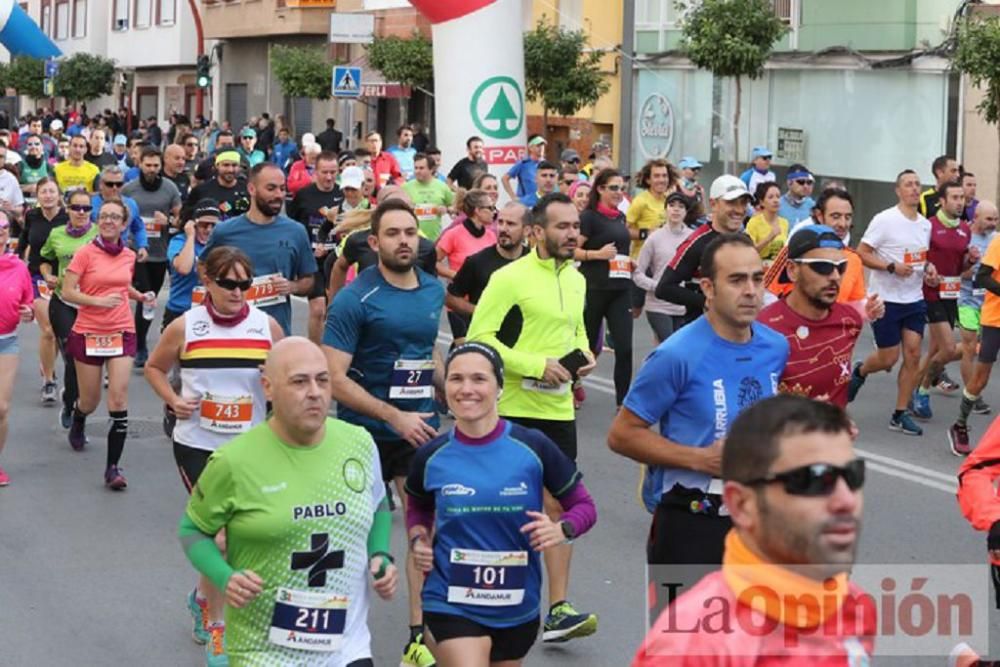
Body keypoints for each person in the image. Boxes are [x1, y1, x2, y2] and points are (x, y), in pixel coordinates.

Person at [178, 336, 398, 666]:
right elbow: (192, 530)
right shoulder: (233, 462)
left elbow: (378, 503)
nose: (314, 392)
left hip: (347, 648)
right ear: (267, 388)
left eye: (322, 380)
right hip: (264, 653)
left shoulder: (359, 444)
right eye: (299, 381)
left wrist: (379, 553)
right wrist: (224, 577)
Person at [631, 395, 874, 665]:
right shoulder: (694, 647)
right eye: (814, 480)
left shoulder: (854, 604)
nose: (846, 500)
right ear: (742, 504)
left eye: (853, 476)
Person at [405, 342, 598, 667]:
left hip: (516, 605)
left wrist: (561, 528)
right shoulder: (432, 454)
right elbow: (417, 507)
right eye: (456, 379)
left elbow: (584, 506)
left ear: (498, 387)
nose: (466, 389)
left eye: (479, 379)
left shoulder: (532, 446)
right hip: (450, 601)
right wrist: (418, 537)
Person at [467, 192, 599, 645]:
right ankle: (494, 601)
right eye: (563, 227)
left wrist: (584, 356)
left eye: (575, 226)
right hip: (516, 410)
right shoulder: (509, 278)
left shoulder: (576, 279)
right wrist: (535, 365)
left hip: (559, 407)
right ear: (537, 232)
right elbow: (478, 339)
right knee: (509, 510)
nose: (573, 234)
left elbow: (578, 332)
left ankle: (558, 609)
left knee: (560, 506)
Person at [608, 233, 789, 562]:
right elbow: (622, 435)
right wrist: (700, 459)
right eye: (736, 280)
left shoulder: (776, 347)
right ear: (708, 288)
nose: (750, 291)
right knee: (683, 616)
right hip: (690, 518)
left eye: (757, 278)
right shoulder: (676, 355)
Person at [323, 198, 445, 667]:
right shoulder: (356, 299)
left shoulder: (432, 290)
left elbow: (422, 352)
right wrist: (393, 415)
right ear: (374, 243)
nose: (404, 241)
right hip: (364, 433)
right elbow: (334, 377)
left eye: (410, 233)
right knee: (354, 541)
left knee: (424, 534)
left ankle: (418, 636)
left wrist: (450, 386)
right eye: (393, 234)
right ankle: (342, 638)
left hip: (419, 431)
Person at [146, 246, 282, 662]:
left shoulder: (267, 327)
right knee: (222, 538)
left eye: (245, 284)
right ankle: (219, 627)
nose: (238, 292)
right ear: (207, 281)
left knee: (235, 538)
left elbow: (286, 377)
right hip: (198, 445)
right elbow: (154, 367)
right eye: (229, 284)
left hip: (251, 448)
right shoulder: (186, 327)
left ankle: (202, 599)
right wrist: (173, 399)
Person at [60, 198, 155, 489]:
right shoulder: (85, 254)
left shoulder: (127, 255)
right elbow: (68, 291)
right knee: (90, 400)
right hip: (89, 332)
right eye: (104, 216)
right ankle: (79, 418)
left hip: (121, 331)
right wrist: (98, 301)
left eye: (115, 217)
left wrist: (138, 296)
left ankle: (112, 468)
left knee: (118, 398)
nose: (109, 221)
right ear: (99, 222)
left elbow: (121, 283)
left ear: (124, 224)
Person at [848, 169, 936, 437]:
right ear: (898, 190)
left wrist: (929, 268)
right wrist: (890, 266)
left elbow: (921, 257)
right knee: (889, 357)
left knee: (912, 354)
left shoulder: (925, 224)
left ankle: (900, 414)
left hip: (914, 298)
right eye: (908, 184)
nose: (914, 188)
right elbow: (861, 253)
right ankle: (861, 370)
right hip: (886, 299)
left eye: (917, 184)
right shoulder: (884, 219)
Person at [759, 224, 883, 409]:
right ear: (792, 270)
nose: (834, 276)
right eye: (822, 266)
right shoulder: (762, 328)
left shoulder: (850, 321)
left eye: (841, 267)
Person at [201, 163, 317, 335]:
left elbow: (308, 280)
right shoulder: (224, 231)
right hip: (229, 331)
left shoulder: (296, 232)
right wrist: (218, 291)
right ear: (252, 189)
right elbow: (203, 267)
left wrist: (292, 286)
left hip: (274, 333)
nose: (278, 195)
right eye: (271, 188)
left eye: (282, 189)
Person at [911, 179, 973, 419]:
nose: (960, 202)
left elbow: (962, 266)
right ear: (942, 201)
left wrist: (972, 260)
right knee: (948, 348)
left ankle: (912, 394)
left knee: (935, 352)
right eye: (955, 198)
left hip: (951, 294)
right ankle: (923, 390)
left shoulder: (965, 229)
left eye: (962, 198)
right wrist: (928, 267)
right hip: (930, 294)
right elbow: (916, 257)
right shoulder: (929, 226)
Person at [655, 174, 753, 322]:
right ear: (713, 204)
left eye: (743, 203)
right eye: (732, 203)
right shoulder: (697, 242)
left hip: (740, 327)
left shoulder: (746, 241)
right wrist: (709, 303)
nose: (739, 210)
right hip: (702, 329)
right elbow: (664, 288)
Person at [40, 190, 99, 430]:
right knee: (72, 357)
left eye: (86, 209)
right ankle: (71, 403)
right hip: (64, 301)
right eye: (77, 208)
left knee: (88, 361)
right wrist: (47, 274)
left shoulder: (99, 233)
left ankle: (80, 405)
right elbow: (42, 258)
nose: (82, 213)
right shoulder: (56, 234)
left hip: (93, 304)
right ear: (68, 210)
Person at [576, 168, 634, 405]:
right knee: (586, 346)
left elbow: (620, 250)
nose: (619, 193)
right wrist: (596, 254)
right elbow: (571, 251)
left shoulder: (620, 217)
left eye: (621, 188)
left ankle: (623, 402)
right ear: (599, 189)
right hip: (594, 288)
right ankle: (569, 386)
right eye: (613, 188)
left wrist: (630, 262)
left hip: (621, 289)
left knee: (625, 348)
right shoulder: (588, 218)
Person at [121, 146, 183, 367]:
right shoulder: (129, 190)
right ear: (140, 164)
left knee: (151, 299)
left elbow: (180, 218)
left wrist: (169, 221)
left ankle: (140, 337)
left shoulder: (169, 188)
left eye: (156, 165)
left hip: (160, 252)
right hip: (137, 252)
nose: (152, 170)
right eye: (148, 165)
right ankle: (139, 346)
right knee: (146, 296)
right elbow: (119, 215)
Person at [948, 215, 1000, 456]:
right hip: (995, 319)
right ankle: (959, 424)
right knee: (980, 379)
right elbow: (982, 276)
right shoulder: (998, 243)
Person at [446, 202, 529, 344]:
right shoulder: (477, 261)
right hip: (487, 345)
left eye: (511, 224)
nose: (503, 229)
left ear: (527, 230)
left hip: (525, 345)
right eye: (500, 222)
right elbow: (451, 299)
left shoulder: (534, 262)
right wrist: (481, 311)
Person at [286, 151, 345, 345]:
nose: (329, 177)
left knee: (336, 311)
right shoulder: (303, 196)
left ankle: (334, 350)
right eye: (324, 172)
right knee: (318, 309)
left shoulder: (343, 194)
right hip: (313, 261)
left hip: (338, 262)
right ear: (315, 172)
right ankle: (315, 351)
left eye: (333, 172)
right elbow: (294, 228)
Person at [17, 177, 64, 404]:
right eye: (43, 192)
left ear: (59, 195)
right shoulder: (32, 216)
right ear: (37, 196)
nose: (47, 195)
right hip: (38, 277)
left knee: (57, 331)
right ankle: (49, 380)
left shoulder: (67, 217)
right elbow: (24, 242)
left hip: (65, 278)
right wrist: (15, 265)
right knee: (47, 330)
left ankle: (47, 364)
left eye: (51, 191)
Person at [632, 192, 693, 343]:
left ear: (686, 212)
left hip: (682, 305)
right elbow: (638, 273)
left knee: (678, 349)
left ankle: (654, 366)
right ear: (665, 210)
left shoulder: (693, 238)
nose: (676, 210)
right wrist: (657, 286)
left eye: (681, 206)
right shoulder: (654, 238)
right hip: (658, 304)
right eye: (672, 206)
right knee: (669, 344)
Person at [436, 190, 498, 340]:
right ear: (477, 210)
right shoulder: (454, 234)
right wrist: (455, 274)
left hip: (483, 302)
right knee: (463, 347)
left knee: (480, 347)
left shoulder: (491, 236)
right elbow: (432, 262)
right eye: (490, 208)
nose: (494, 212)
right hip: (459, 302)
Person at [0, 214, 34, 485]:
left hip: (6, 341)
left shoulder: (18, 266)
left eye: (3, 228)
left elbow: (28, 301)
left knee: (0, 408)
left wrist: (28, 311)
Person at [957, 201, 999, 414]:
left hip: (986, 302)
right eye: (989, 219)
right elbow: (960, 272)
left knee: (955, 349)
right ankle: (970, 401)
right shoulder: (966, 237)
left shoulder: (994, 239)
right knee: (970, 346)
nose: (993, 224)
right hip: (966, 299)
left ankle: (935, 366)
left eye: (996, 219)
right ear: (976, 218)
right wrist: (968, 266)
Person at [183, 150, 250, 221]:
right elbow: (186, 216)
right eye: (226, 165)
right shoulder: (201, 190)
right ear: (217, 166)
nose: (230, 170)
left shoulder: (247, 189)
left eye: (234, 165)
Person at [402, 153, 455, 241]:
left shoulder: (442, 186)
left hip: (434, 239)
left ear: (431, 169)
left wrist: (447, 209)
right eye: (416, 168)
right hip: (411, 239)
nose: (417, 171)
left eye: (421, 168)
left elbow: (455, 207)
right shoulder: (405, 187)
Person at [745, 181, 789, 264]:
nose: (776, 200)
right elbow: (749, 252)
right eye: (770, 197)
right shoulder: (754, 222)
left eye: (778, 197)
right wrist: (770, 237)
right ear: (761, 202)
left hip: (777, 270)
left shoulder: (784, 222)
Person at [502, 135, 546, 203]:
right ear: (530, 147)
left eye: (542, 146)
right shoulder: (523, 164)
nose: (541, 148)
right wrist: (513, 197)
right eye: (538, 146)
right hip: (525, 205)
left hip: (542, 203)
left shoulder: (546, 164)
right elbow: (504, 178)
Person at [919, 154, 960, 219]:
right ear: (939, 173)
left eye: (958, 171)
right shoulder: (924, 198)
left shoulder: (960, 197)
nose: (958, 175)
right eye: (953, 171)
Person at [778, 163, 817, 229]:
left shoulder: (813, 206)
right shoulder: (777, 205)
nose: (805, 186)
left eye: (808, 182)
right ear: (789, 183)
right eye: (801, 182)